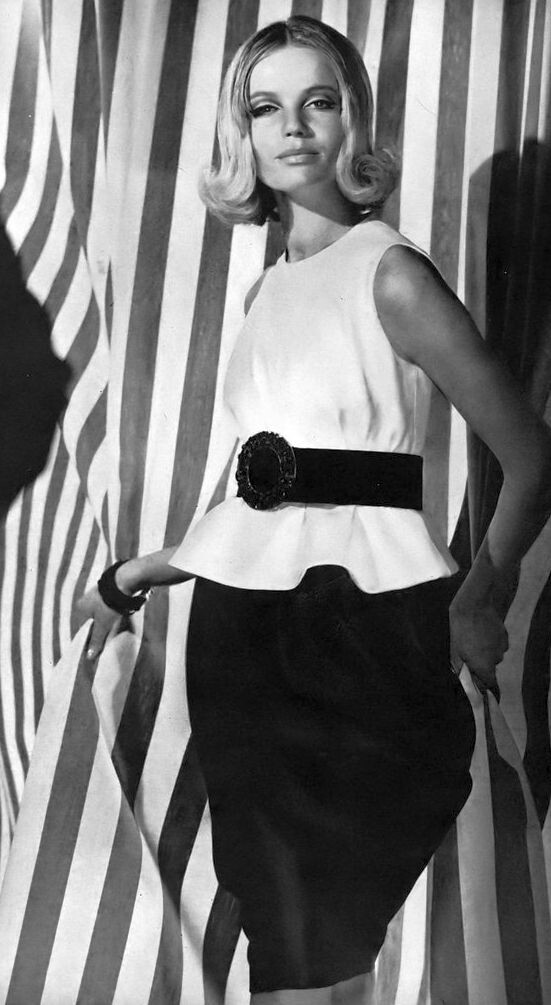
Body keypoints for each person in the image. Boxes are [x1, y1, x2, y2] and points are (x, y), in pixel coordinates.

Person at [78, 16, 551, 1005]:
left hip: (361, 627)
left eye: (318, 101)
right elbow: (263, 505)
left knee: (337, 929)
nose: (292, 127)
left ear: (352, 121)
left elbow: (528, 456)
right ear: (241, 134)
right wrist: (142, 570)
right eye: (265, 107)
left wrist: (481, 594)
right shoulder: (267, 293)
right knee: (280, 932)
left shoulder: (391, 273)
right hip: (242, 635)